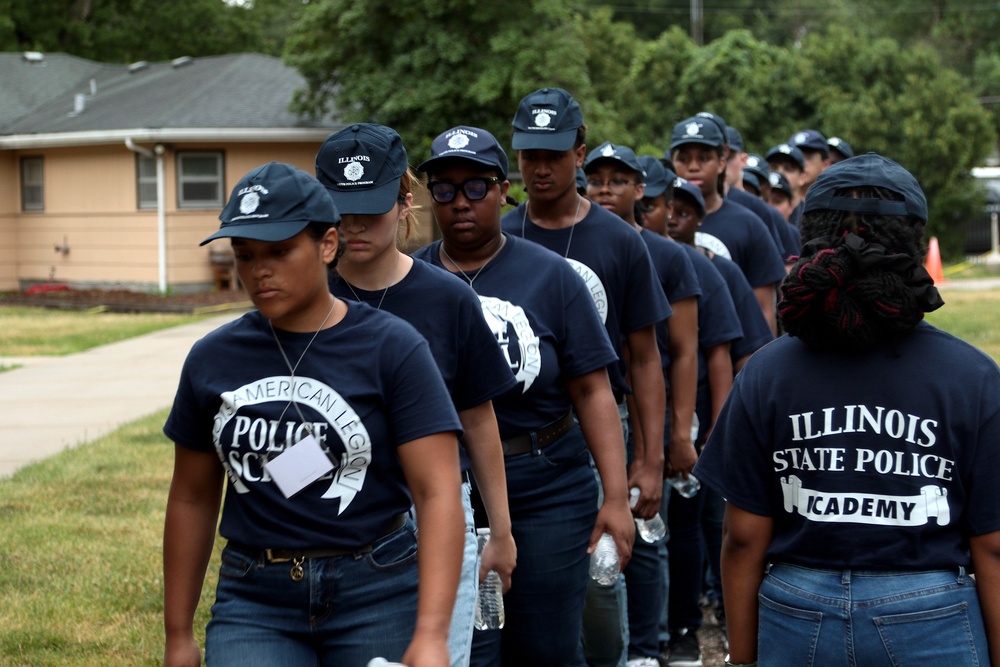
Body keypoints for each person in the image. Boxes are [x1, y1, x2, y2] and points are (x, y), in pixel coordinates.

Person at [694, 153, 1000, 667]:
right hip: (931, 612)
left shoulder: (767, 373)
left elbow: (744, 538)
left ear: (810, 238)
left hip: (797, 611)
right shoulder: (972, 376)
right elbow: (992, 546)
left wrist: (743, 659)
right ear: (912, 244)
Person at [162, 162, 465, 667]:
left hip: (377, 589)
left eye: (280, 251)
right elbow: (192, 497)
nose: (260, 270)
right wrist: (178, 634)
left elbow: (437, 492)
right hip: (255, 596)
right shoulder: (212, 358)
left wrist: (432, 634)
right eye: (245, 254)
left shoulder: (393, 348)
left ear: (327, 244)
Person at [414, 125, 635, 667]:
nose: (460, 202)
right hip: (450, 485)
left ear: (502, 189)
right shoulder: (412, 281)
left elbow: (592, 389)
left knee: (546, 647)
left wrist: (615, 495)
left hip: (547, 481)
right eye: (444, 188)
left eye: (476, 187)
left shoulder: (552, 277)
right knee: (470, 647)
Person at [314, 123, 519, 667]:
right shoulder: (306, 296)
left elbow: (477, 418)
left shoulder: (447, 298)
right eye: (340, 208)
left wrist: (498, 528)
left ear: (405, 199)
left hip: (434, 514)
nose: (354, 224)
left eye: (371, 206)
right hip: (328, 515)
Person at [500, 88, 670, 667]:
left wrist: (648, 458)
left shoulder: (619, 240)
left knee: (601, 582)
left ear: (579, 150)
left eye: (553, 153)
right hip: (512, 431)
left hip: (599, 423)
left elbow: (645, 358)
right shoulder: (496, 235)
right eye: (528, 155)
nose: (540, 168)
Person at [669, 116, 786, 335]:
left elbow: (764, 309)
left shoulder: (750, 224)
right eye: (684, 159)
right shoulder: (658, 224)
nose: (693, 167)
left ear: (722, 161)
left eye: (704, 158)